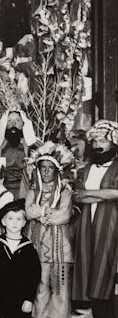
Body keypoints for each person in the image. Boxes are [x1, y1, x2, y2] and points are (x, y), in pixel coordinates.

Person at [72, 120, 118, 318]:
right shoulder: (86, 168)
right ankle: (89, 308)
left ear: (113, 144)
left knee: (106, 262)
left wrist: (90, 194)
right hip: (85, 222)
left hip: (110, 221)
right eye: (95, 141)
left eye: (103, 141)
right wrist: (105, 193)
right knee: (86, 261)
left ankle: (102, 310)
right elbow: (77, 195)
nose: (98, 145)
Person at [24, 142, 74, 318]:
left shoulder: (65, 190)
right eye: (42, 167)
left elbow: (65, 215)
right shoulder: (33, 190)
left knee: (60, 285)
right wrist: (44, 212)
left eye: (50, 168)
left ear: (57, 170)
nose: (45, 171)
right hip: (38, 244)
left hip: (60, 245)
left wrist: (40, 215)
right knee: (40, 282)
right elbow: (28, 212)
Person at [0, 199, 40, 318]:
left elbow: (34, 276)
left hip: (18, 300)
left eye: (19, 219)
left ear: (24, 223)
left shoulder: (28, 248)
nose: (14, 223)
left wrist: (29, 299)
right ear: (3, 221)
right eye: (10, 218)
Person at [0, 110, 39, 198]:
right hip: (0, 190)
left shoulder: (34, 145)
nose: (13, 123)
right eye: (9, 121)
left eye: (17, 120)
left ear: (23, 124)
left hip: (26, 190)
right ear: (4, 124)